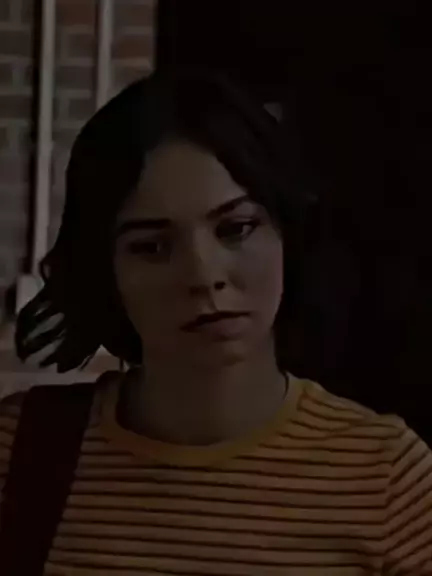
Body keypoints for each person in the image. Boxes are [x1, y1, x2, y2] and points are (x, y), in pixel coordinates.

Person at [0, 70, 431, 575]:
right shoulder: (19, 453)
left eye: (236, 228)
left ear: (287, 233)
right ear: (105, 270)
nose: (204, 276)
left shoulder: (387, 478)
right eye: (152, 247)